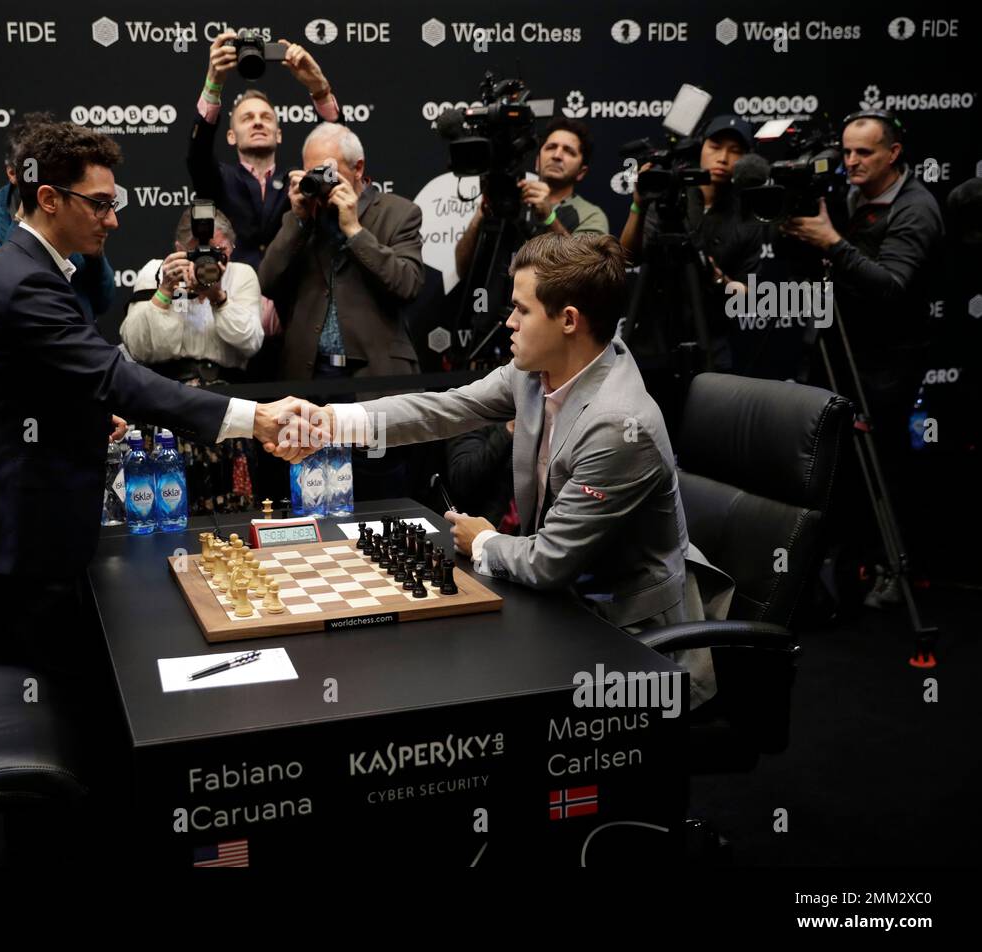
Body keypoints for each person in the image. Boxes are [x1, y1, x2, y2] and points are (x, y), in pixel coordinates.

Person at [0, 120, 322, 675]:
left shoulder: (35, 271)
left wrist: (90, 410)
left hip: (28, 527)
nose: (113, 219)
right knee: (31, 707)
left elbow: (55, 380)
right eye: (98, 204)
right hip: (13, 537)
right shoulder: (24, 280)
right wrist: (255, 417)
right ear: (48, 198)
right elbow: (113, 374)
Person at [293, 233, 730, 707]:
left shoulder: (618, 426)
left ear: (568, 321)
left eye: (522, 310)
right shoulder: (535, 372)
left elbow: (547, 562)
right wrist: (328, 421)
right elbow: (444, 409)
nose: (508, 323)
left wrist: (481, 540)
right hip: (562, 605)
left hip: (628, 640)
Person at [782, 109, 944, 607]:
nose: (850, 162)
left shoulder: (916, 208)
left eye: (864, 153)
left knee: (885, 468)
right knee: (835, 469)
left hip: (887, 364)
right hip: (841, 349)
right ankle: (835, 569)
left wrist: (833, 242)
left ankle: (894, 568)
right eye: (847, 151)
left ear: (893, 154)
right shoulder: (848, 195)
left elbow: (892, 285)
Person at [121, 205, 264, 514]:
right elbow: (138, 346)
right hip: (165, 403)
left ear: (232, 247)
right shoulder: (156, 271)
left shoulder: (241, 275)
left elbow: (250, 342)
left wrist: (217, 296)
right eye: (197, 252)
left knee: (231, 510)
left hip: (226, 405)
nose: (208, 258)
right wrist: (165, 291)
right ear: (177, 250)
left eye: (219, 250)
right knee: (170, 505)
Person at [259, 122, 425, 383]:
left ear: (358, 168)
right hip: (308, 377)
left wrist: (355, 230)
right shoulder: (301, 220)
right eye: (312, 172)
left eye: (327, 171)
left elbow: (407, 285)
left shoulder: (400, 213)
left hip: (376, 374)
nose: (320, 180)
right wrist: (299, 220)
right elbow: (267, 282)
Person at [619, 115, 770, 373]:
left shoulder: (749, 216)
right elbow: (627, 257)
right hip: (653, 338)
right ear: (700, 148)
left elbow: (750, 296)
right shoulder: (668, 196)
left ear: (746, 160)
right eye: (715, 147)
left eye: (735, 151)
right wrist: (638, 206)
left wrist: (718, 278)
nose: (723, 157)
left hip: (711, 342)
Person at [188, 33, 342, 268]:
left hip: (288, 299)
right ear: (231, 136)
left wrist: (319, 88)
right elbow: (197, 155)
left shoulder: (298, 181)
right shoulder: (219, 179)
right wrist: (214, 82)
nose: (258, 123)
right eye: (247, 118)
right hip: (234, 296)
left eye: (266, 117)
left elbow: (339, 149)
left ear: (278, 134)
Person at [0, 111, 116, 322]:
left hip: (78, 329)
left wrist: (94, 251)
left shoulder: (71, 212)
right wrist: (30, 209)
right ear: (13, 173)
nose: (46, 174)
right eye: (35, 167)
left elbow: (103, 300)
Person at [455, 117, 609, 279]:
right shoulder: (509, 202)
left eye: (569, 151)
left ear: (581, 172)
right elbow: (462, 268)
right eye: (550, 147)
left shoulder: (591, 215)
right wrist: (481, 213)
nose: (557, 155)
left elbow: (585, 276)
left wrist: (550, 218)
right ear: (537, 162)